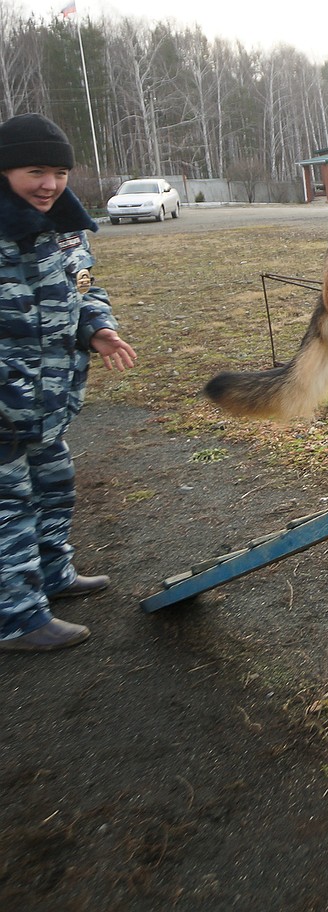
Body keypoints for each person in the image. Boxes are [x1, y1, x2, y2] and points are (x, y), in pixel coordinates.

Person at [0, 114, 137, 652]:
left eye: (58, 172)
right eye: (36, 171)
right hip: (5, 408)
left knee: (54, 488)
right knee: (8, 506)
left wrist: (97, 326)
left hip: (48, 400)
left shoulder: (65, 226)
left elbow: (83, 287)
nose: (49, 185)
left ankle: (52, 576)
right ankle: (16, 618)